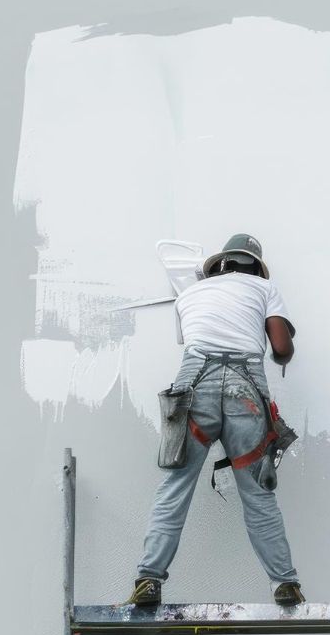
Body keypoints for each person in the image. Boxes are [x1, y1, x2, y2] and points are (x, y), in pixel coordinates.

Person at [126, 233, 305, 607]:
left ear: (220, 265)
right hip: (246, 392)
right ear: (255, 265)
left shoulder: (188, 295)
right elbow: (282, 349)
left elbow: (195, 338)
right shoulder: (263, 287)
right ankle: (284, 583)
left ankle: (149, 578)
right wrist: (285, 344)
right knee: (258, 495)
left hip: (194, 389)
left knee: (174, 487)